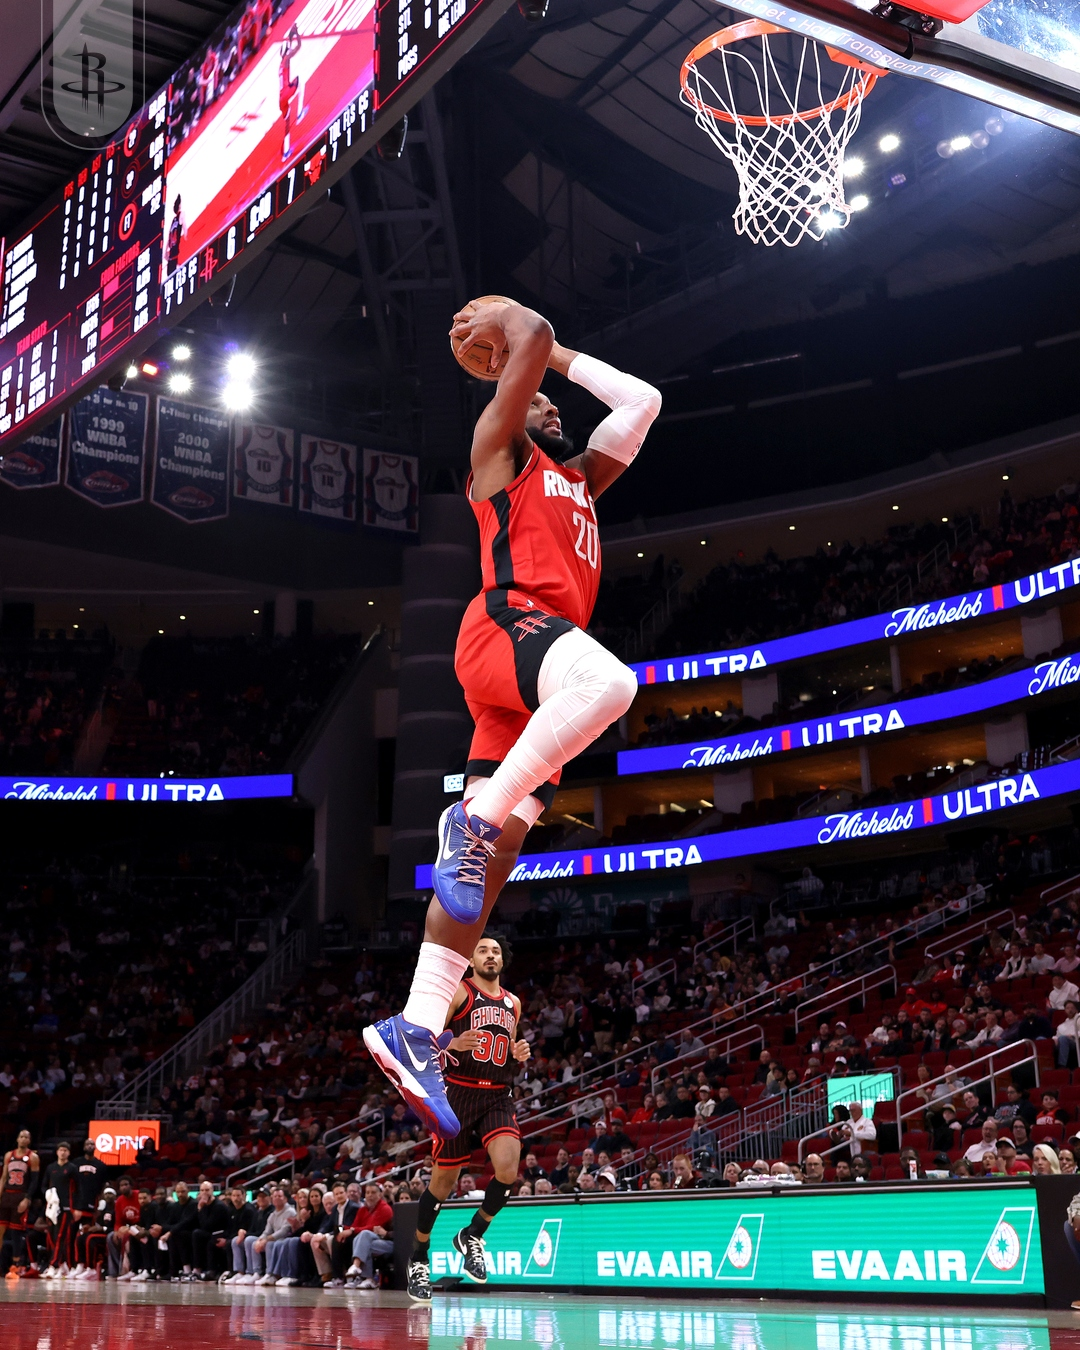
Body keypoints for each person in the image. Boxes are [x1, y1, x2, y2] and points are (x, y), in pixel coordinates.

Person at [363, 302, 660, 1139]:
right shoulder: (499, 454)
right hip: (507, 625)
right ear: (507, 399)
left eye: (553, 399)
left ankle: (415, 1024)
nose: (552, 406)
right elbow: (529, 338)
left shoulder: (582, 479)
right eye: (538, 398)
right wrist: (518, 325)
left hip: (533, 676)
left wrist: (556, 357)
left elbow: (642, 401)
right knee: (612, 684)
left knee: (487, 873)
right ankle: (471, 817)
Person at [406, 934, 532, 1302]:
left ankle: (472, 1233)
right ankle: (418, 1256)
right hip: (457, 1094)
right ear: (471, 959)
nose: (490, 956)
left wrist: (518, 1053)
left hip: (497, 1095)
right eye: (483, 950)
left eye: (496, 951)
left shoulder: (513, 1003)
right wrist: (452, 1043)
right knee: (442, 1184)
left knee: (508, 1169)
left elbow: (506, 1049)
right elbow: (422, 1038)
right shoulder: (459, 992)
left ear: (503, 960)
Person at [0, 1128, 40, 1274]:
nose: (23, 1139)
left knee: (16, 1232)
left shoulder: (33, 1157)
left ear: (29, 1141)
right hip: (7, 1195)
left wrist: (27, 1199)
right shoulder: (9, 1155)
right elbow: (4, 1178)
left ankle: (16, 1265)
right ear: (17, 1139)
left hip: (20, 1196)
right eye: (21, 1136)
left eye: (26, 1137)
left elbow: (34, 1181)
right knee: (1, 1230)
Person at [343, 1182, 394, 1289]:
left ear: (380, 1195)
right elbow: (355, 1226)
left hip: (389, 1242)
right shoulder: (363, 1209)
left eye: (373, 1192)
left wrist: (352, 1230)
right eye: (368, 1192)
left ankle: (357, 1267)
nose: (370, 1195)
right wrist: (347, 1229)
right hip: (373, 1242)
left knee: (364, 1235)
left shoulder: (385, 1208)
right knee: (362, 1241)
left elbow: (372, 1227)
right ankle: (367, 1279)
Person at [42, 1140, 77, 1276]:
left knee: (61, 1235)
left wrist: (74, 1207)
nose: (63, 1153)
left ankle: (53, 1265)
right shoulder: (50, 1168)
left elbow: (76, 1188)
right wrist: (48, 1194)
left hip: (65, 1206)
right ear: (57, 1152)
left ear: (69, 1153)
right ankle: (62, 1264)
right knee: (51, 1235)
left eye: (65, 1150)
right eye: (61, 1150)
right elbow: (44, 1185)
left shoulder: (72, 1168)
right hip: (52, 1206)